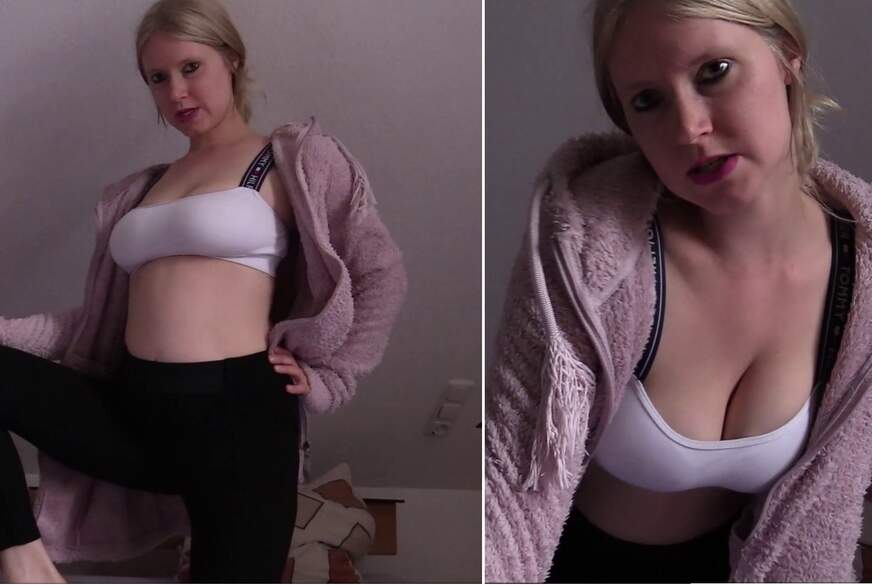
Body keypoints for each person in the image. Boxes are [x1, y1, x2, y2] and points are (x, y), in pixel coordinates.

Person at [0, 0, 406, 582]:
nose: (176, 92)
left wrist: (332, 378)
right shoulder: (140, 189)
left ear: (232, 60)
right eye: (158, 78)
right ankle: (25, 563)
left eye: (191, 68)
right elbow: (92, 322)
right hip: (136, 407)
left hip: (239, 416)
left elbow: (380, 273)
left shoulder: (292, 159)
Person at [486, 0, 872, 582]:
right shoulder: (584, 249)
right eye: (648, 101)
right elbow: (510, 484)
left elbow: (828, 515)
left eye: (714, 71)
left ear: (787, 59)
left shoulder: (861, 277)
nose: (690, 129)